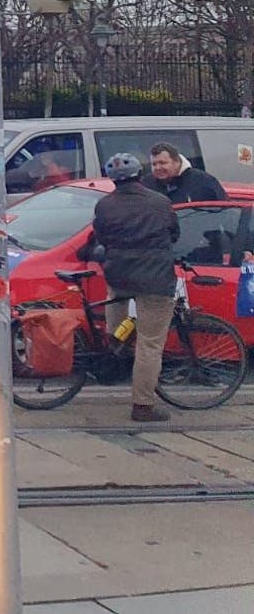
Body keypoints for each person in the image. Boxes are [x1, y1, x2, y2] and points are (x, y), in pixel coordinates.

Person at [90, 152, 181, 423]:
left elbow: (101, 237)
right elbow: (174, 234)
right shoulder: (160, 202)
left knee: (117, 306)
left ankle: (114, 345)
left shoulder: (104, 205)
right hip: (155, 280)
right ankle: (143, 405)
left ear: (113, 180)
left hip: (119, 276)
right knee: (150, 344)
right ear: (141, 175)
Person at [148, 142, 227, 204]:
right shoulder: (147, 184)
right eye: (154, 164)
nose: (158, 168)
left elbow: (223, 210)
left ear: (177, 161)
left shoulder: (203, 181)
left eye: (162, 163)